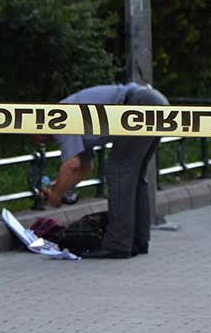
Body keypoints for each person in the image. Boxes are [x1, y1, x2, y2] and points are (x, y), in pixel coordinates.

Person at [37, 83, 168, 259]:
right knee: (134, 176)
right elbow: (84, 168)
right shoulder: (68, 113)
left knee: (118, 171)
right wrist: (59, 186)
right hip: (154, 101)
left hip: (139, 104)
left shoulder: (57, 118)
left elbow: (71, 165)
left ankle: (118, 244)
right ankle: (138, 240)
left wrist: (55, 196)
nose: (38, 142)